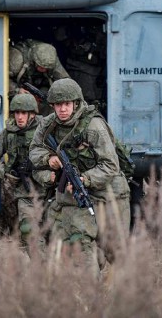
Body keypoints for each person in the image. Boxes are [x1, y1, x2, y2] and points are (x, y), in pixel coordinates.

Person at [29, 78, 130, 277]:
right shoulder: (48, 124)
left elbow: (111, 165)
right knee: (78, 242)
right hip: (74, 194)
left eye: (66, 104)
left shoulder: (93, 126)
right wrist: (48, 159)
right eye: (58, 105)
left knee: (115, 251)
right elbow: (33, 150)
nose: (62, 109)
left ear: (75, 103)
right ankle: (91, 288)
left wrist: (85, 180)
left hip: (109, 193)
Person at [0, 94, 44, 243]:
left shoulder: (45, 129)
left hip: (49, 189)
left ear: (32, 114)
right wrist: (3, 172)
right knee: (28, 230)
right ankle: (41, 264)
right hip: (24, 192)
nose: (19, 117)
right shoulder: (9, 133)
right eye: (17, 113)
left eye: (23, 113)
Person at [9, 39, 70, 114]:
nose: (44, 70)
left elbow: (65, 81)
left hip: (38, 89)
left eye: (47, 68)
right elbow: (1, 81)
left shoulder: (51, 59)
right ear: (34, 61)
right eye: (41, 67)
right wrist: (17, 91)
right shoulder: (17, 59)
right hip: (18, 89)